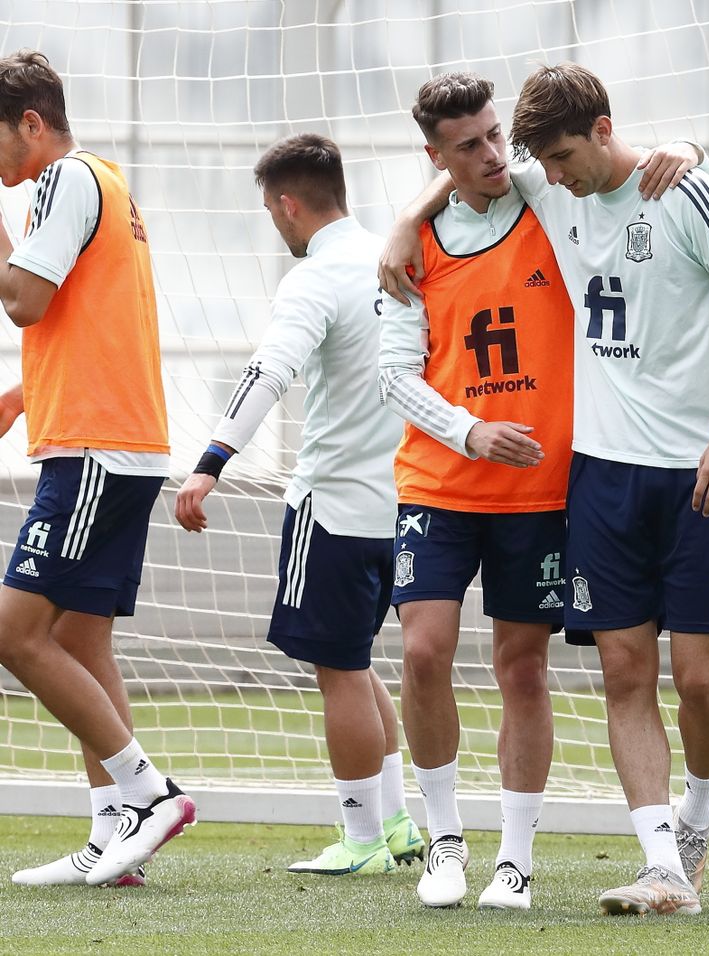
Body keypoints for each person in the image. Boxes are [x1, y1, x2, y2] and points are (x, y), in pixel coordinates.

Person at [380, 62, 709, 917]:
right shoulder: (546, 183)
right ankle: (663, 866)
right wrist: (400, 224)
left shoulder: (686, 190)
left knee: (700, 679)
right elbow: (462, 169)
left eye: (559, 155)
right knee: (623, 670)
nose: (544, 174)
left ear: (604, 130)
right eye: (541, 160)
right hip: (598, 475)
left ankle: (698, 820)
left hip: (698, 473)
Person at [173, 133, 422, 878]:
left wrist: (209, 463)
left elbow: (267, 372)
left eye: (269, 211)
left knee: (336, 669)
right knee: (356, 661)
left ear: (287, 205)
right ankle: (399, 821)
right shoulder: (396, 259)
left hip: (335, 501)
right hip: (404, 502)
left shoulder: (314, 278)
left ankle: (360, 837)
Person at [0, 48, 194, 888]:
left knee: (13, 633)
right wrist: (21, 393)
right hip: (113, 443)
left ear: (31, 125)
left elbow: (22, 299)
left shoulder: (68, 180)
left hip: (95, 451)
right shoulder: (100, 182)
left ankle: (150, 796)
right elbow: (76, 316)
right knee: (80, 639)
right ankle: (115, 841)